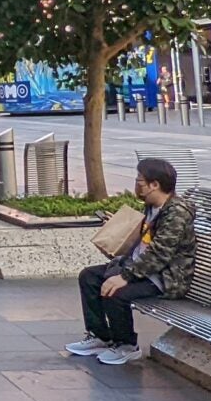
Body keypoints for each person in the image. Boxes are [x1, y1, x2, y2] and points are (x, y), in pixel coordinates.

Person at [67, 157, 197, 367]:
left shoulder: (177, 213)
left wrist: (125, 277)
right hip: (142, 268)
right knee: (89, 276)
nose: (136, 185)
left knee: (115, 291)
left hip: (166, 277)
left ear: (155, 185)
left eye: (140, 181)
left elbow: (159, 255)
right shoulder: (152, 206)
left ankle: (127, 345)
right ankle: (101, 336)